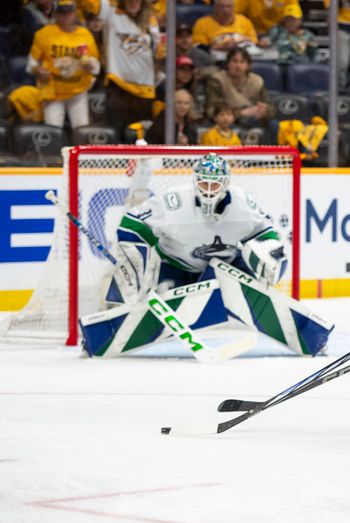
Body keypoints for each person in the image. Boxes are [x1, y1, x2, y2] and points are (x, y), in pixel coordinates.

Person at [111, 153, 285, 304]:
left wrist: (270, 255)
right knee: (162, 300)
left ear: (226, 184)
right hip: (175, 266)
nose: (208, 192)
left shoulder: (243, 205)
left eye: (215, 184)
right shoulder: (173, 201)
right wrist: (136, 259)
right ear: (195, 181)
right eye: (204, 183)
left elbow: (266, 233)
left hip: (224, 268)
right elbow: (132, 222)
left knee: (257, 293)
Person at [83, 0, 162, 135]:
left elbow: (157, 51)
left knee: (141, 137)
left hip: (145, 88)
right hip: (118, 85)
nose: (132, 3)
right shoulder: (111, 12)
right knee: (116, 135)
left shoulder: (151, 21)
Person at [27, 0, 101, 129]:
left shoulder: (85, 34)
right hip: (53, 92)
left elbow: (96, 66)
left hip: (78, 91)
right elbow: (31, 64)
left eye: (69, 11)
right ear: (56, 13)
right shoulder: (44, 34)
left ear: (75, 13)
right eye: (62, 12)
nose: (66, 15)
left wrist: (91, 66)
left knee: (81, 130)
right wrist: (37, 70)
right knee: (53, 130)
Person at [204, 47, 276, 128]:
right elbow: (211, 111)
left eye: (242, 62)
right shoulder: (217, 80)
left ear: (248, 65)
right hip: (229, 121)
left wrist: (264, 111)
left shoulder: (257, 81)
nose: (238, 66)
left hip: (253, 118)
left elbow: (271, 108)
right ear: (228, 64)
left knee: (274, 125)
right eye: (234, 61)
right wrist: (241, 113)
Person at [192, 0, 257, 57]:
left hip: (242, 56)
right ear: (215, 8)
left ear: (233, 8)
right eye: (222, 7)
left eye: (228, 6)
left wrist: (239, 42)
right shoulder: (202, 23)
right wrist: (221, 47)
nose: (225, 10)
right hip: (214, 58)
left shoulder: (244, 21)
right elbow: (198, 46)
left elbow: (253, 40)